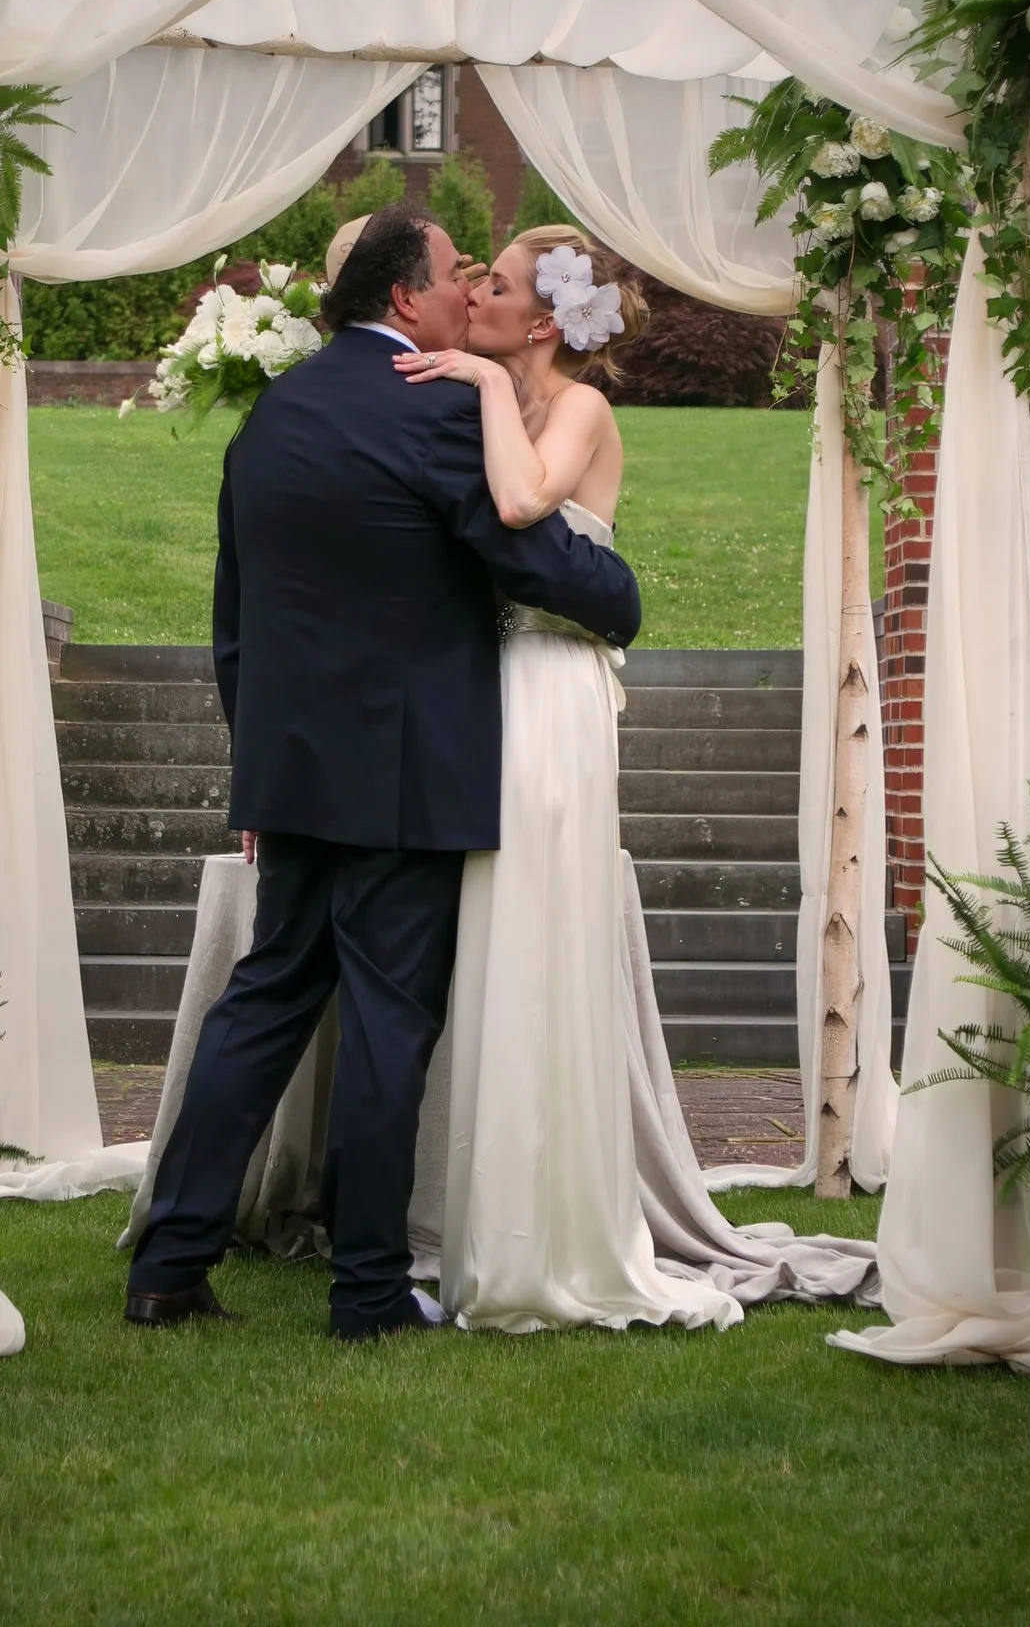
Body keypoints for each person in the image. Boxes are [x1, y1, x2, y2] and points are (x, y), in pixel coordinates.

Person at [125, 205, 642, 1341]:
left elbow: (235, 618)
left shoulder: (271, 417)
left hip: (294, 770)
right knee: (386, 1027)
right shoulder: (433, 402)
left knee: (260, 1004)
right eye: (457, 274)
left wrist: (254, 770)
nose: (469, 290)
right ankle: (366, 1291)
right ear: (404, 301)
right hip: (403, 777)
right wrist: (621, 598)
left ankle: (167, 1263)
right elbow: (531, 552)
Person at [397, 225, 874, 1331]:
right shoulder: (488, 399)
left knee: (538, 924)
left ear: (546, 322)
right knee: (481, 928)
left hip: (556, 687)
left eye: (497, 287)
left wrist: (469, 380)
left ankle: (551, 1229)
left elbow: (522, 509)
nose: (476, 294)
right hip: (482, 683)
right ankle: (470, 1211)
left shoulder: (576, 410)